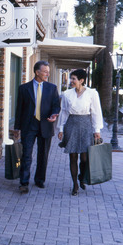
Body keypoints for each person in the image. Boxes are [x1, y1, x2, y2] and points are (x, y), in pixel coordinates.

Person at [14, 61, 61, 194]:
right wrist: (17, 128)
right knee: (26, 154)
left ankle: (40, 180)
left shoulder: (52, 88)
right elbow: (19, 109)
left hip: (46, 124)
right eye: (45, 71)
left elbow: (56, 105)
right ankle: (24, 182)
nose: (48, 74)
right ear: (37, 72)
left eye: (48, 71)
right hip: (29, 125)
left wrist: (54, 115)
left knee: (43, 154)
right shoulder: (24, 88)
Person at [57, 69, 104, 196]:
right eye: (71, 78)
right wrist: (61, 128)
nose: (71, 81)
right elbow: (64, 112)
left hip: (86, 125)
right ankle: (75, 185)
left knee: (84, 158)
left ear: (81, 80)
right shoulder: (67, 94)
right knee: (72, 156)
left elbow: (96, 112)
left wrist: (97, 130)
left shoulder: (92, 93)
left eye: (73, 79)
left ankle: (81, 176)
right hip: (71, 125)